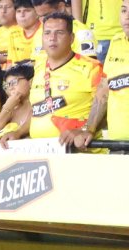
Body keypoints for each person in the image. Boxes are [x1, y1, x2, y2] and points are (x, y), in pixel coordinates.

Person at [29, 13, 103, 139]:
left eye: (59, 33)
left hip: (80, 149)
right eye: (47, 33)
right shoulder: (39, 67)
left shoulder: (92, 68)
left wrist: (84, 129)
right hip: (42, 148)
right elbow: (34, 109)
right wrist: (18, 131)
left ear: (72, 38)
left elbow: (107, 108)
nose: (52, 38)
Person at [67, 0, 128, 148]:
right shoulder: (116, 42)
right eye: (124, 10)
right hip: (116, 144)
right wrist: (89, 129)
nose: (127, 16)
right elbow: (104, 90)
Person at [0, 61, 34, 145]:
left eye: (14, 82)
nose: (10, 88)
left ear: (30, 82)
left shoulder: (37, 102)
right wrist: (7, 108)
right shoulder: (12, 108)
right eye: (7, 85)